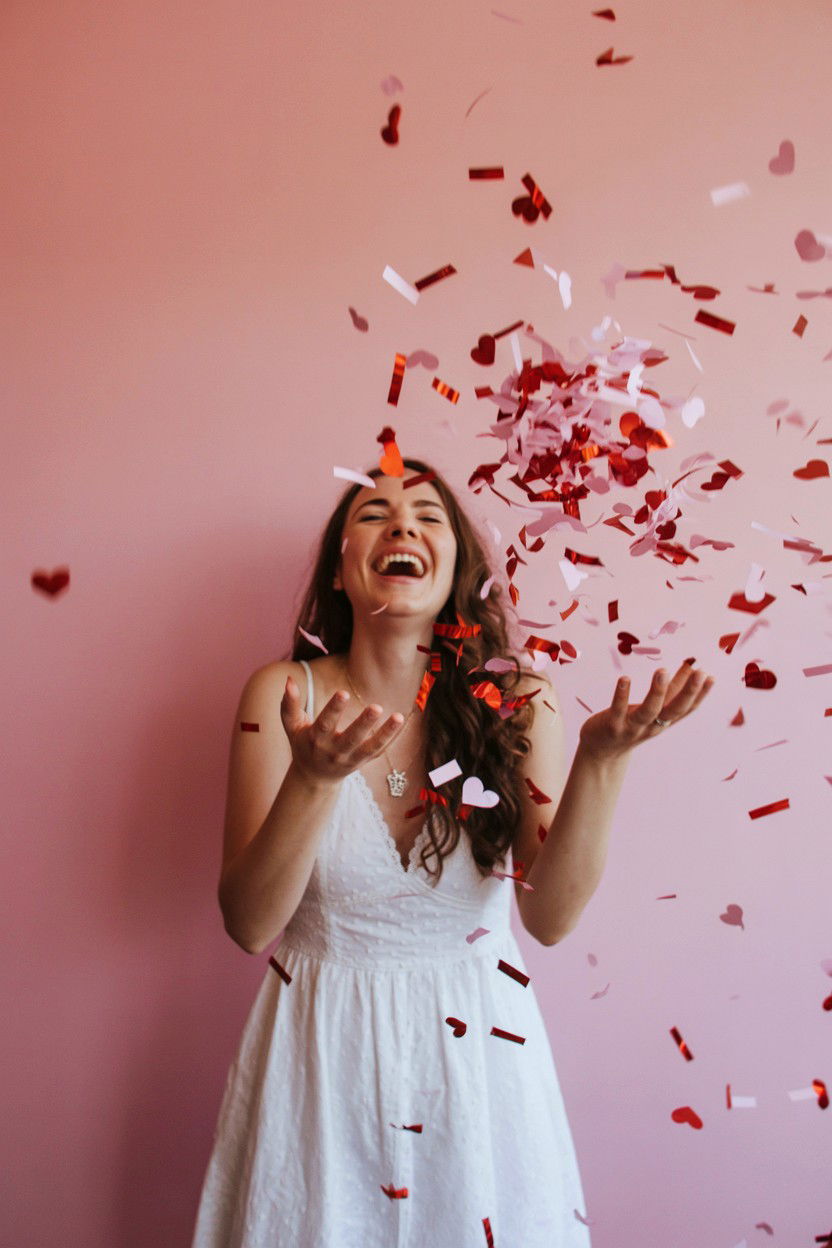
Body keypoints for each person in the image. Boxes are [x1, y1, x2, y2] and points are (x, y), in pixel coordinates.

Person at [190, 456, 714, 1247]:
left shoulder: (521, 704)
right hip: (320, 1056)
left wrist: (601, 764)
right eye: (373, 515)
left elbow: (551, 919)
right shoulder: (282, 695)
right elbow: (249, 924)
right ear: (339, 570)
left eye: (427, 516)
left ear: (460, 571)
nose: (401, 525)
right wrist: (312, 779)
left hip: (480, 1063)